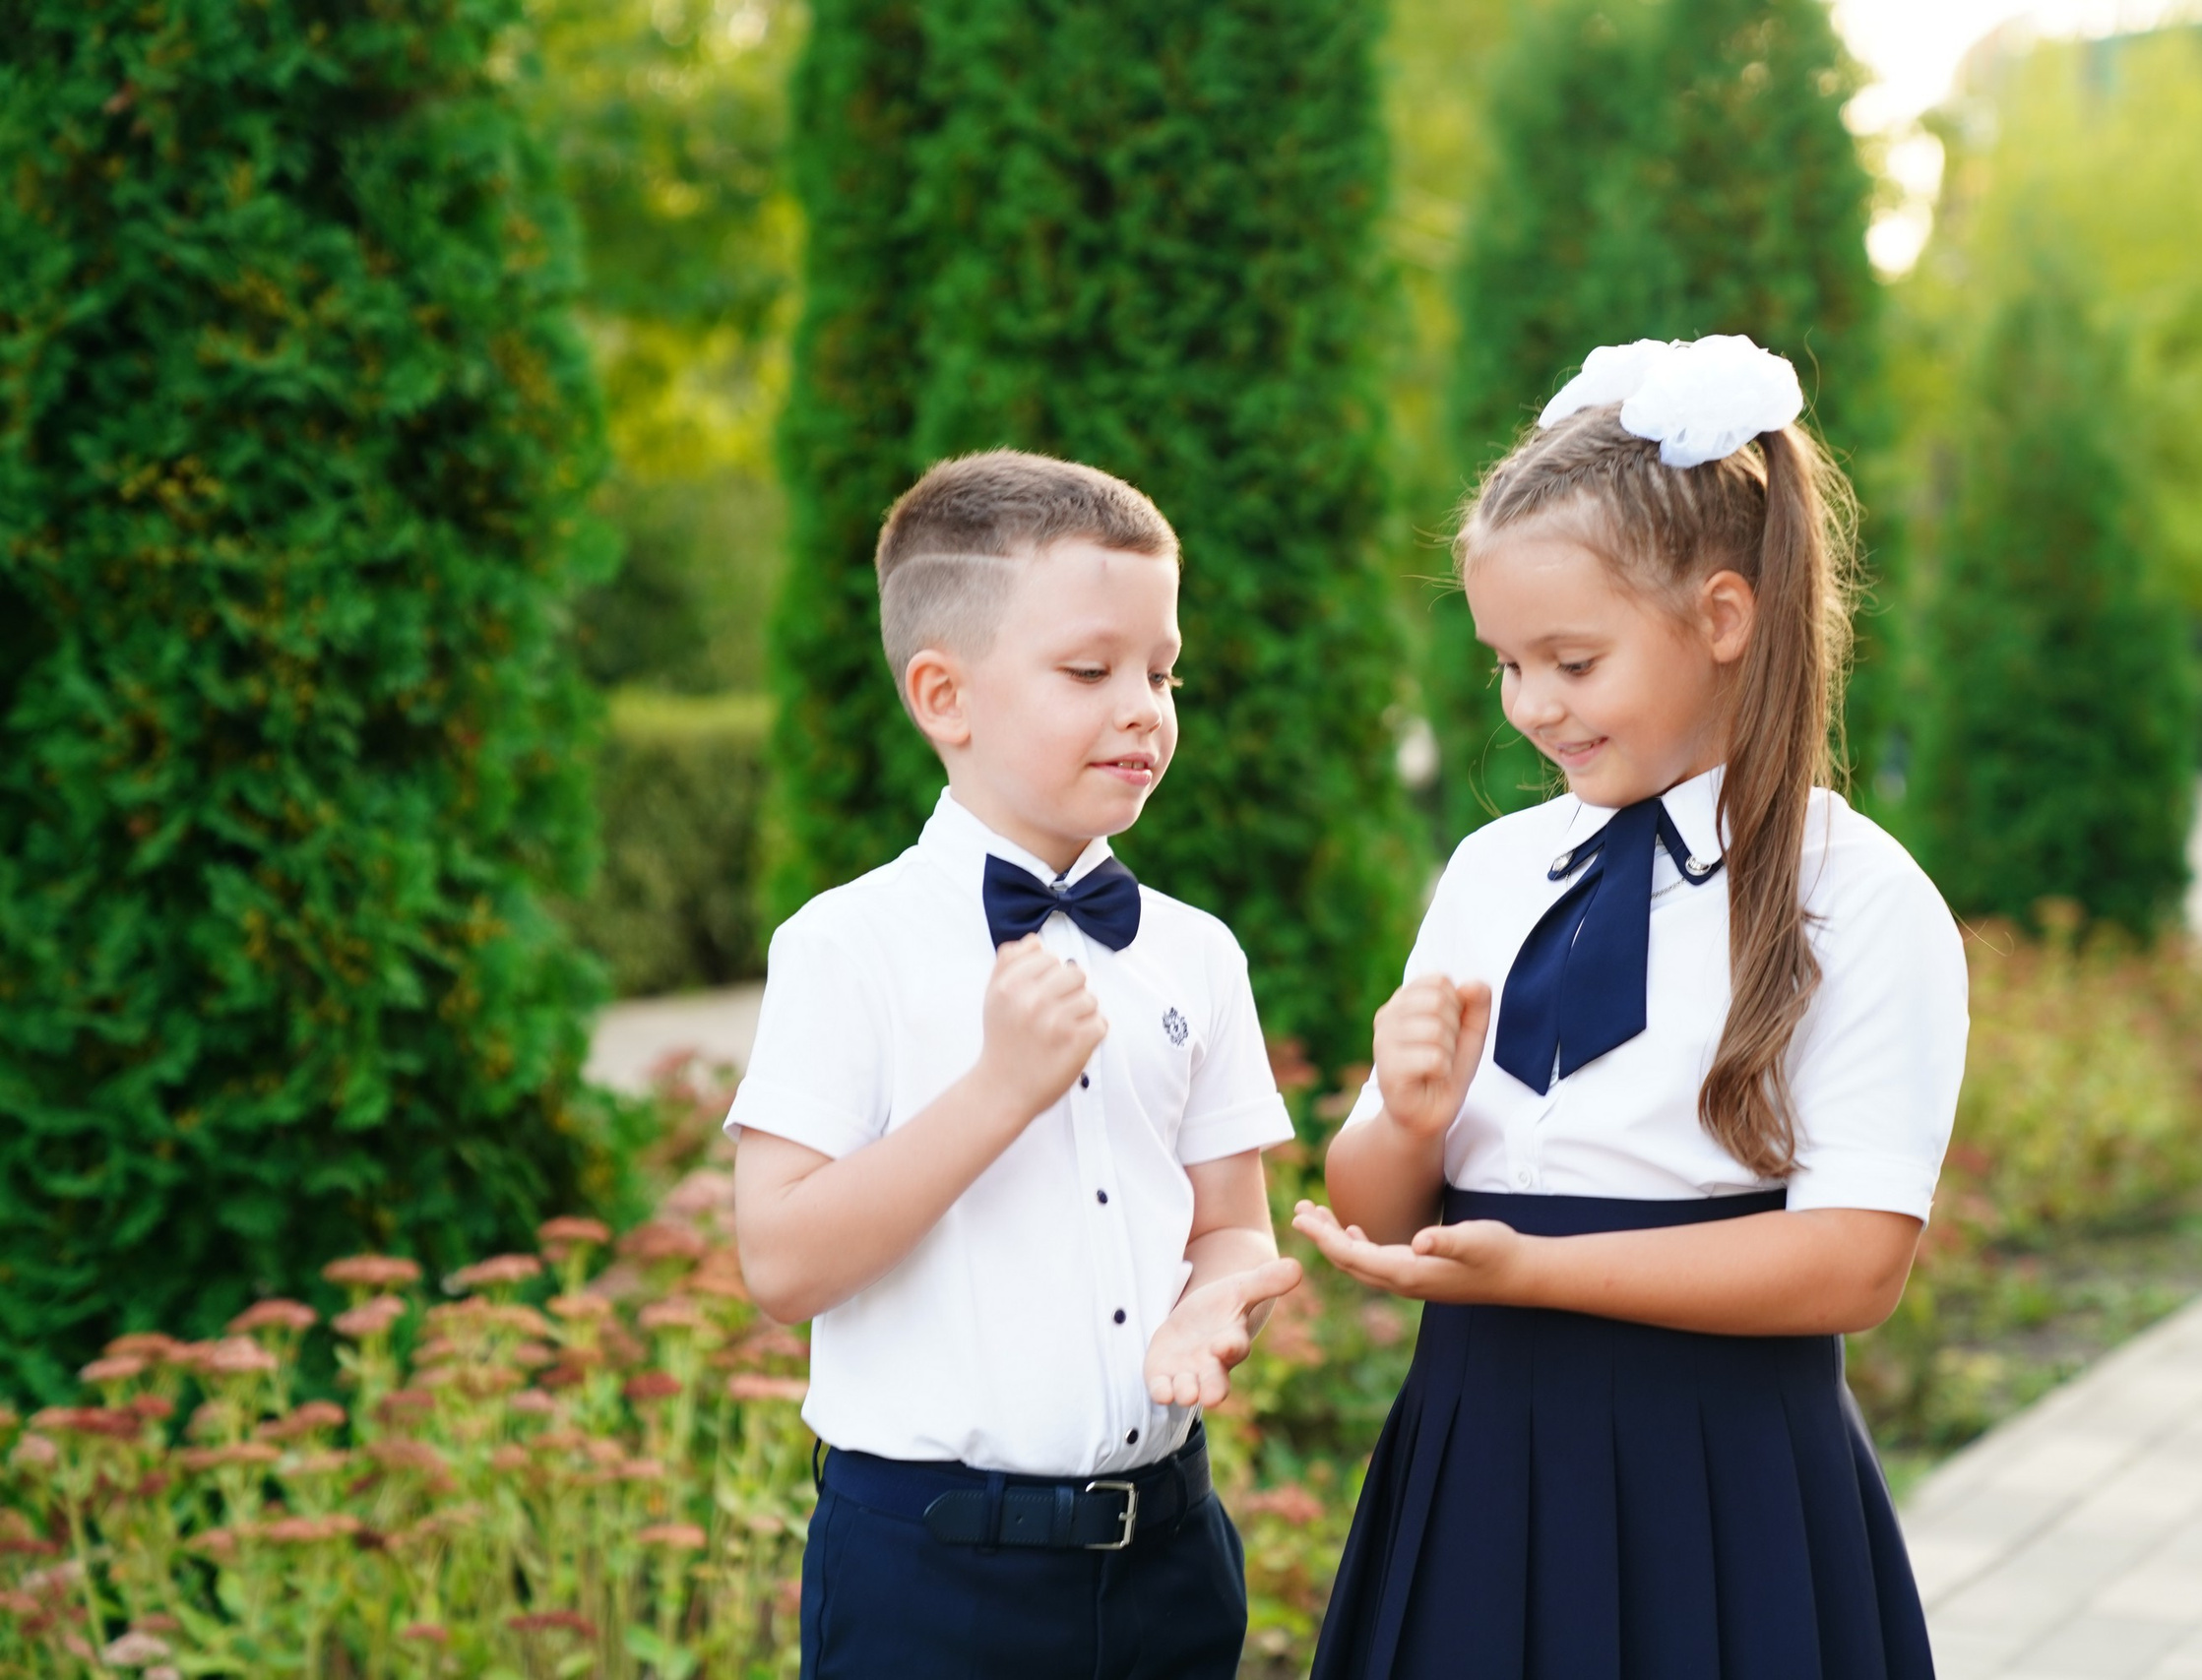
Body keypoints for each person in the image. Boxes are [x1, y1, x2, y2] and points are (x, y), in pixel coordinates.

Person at [1295, 338, 1968, 1680]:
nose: (1532, 705)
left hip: (1719, 1479)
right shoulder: (1493, 868)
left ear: (1723, 618)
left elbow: (1856, 1262)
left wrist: (1536, 1270)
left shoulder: (1858, 896)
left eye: (1572, 660)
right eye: (1505, 665)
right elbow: (1375, 1206)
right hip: (1476, 1450)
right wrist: (1411, 1119)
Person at [727, 450, 1304, 1680]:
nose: (1143, 706)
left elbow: (1232, 1228)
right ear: (946, 695)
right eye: (1090, 671)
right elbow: (780, 1264)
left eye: (1162, 670)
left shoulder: (1195, 954)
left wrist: (1218, 1297)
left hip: (1170, 1553)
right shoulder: (846, 944)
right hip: (928, 1575)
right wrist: (997, 1093)